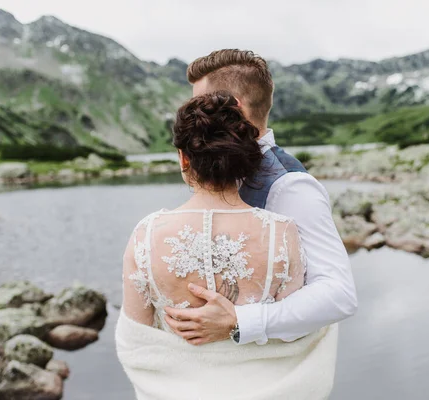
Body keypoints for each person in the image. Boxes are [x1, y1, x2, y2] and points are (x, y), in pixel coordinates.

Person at [116, 91, 339, 399]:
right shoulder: (280, 232)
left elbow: (136, 340)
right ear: (244, 156)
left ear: (183, 157)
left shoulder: (146, 234)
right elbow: (297, 333)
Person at [162, 49, 357, 346]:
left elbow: (339, 294)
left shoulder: (289, 185)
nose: (193, 110)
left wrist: (239, 322)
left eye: (199, 101)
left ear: (234, 108)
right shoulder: (214, 172)